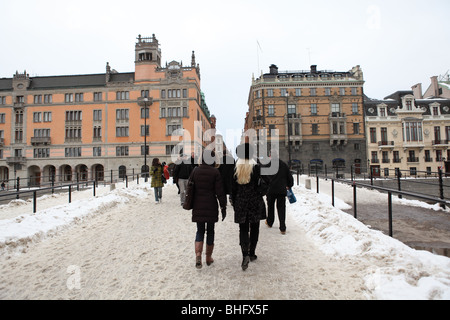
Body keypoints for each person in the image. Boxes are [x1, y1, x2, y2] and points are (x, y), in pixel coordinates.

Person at [231, 143, 269, 271]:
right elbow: (265, 182)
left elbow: (233, 188)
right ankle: (252, 252)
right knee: (255, 227)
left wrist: (233, 201)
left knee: (243, 229)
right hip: (254, 200)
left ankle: (244, 254)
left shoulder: (236, 167)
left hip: (241, 201)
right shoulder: (256, 166)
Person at [191, 149, 227, 269]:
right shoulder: (215, 172)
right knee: (210, 231)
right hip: (211, 205)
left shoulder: (195, 171)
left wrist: (189, 203)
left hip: (198, 205)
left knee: (199, 231)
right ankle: (208, 257)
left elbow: (190, 188)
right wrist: (223, 206)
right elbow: (220, 192)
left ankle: (198, 255)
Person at [265, 150, 294, 234]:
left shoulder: (268, 165)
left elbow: (264, 177)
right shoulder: (283, 165)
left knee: (270, 207)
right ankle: (282, 227)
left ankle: (270, 222)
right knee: (281, 208)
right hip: (281, 190)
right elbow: (290, 177)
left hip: (271, 190)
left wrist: (267, 185)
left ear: (270, 156)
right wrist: (289, 185)